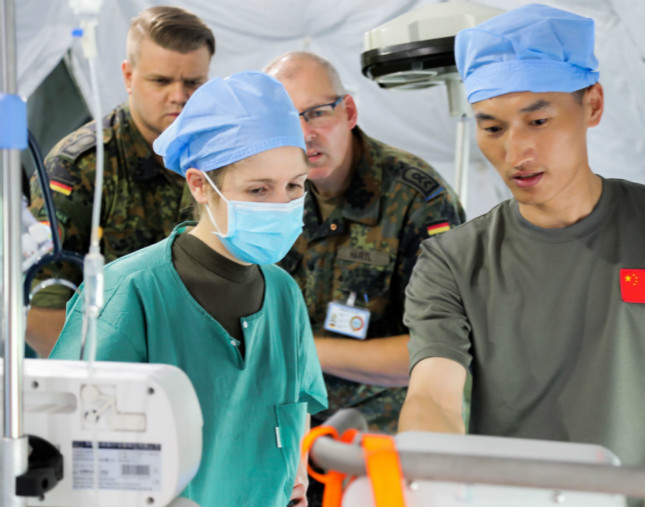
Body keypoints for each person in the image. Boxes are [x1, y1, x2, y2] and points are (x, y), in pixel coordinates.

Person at [398, 2, 645, 474]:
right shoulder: (453, 260)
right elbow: (432, 397)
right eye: (493, 128)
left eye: (538, 121)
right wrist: (421, 475)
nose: (516, 152)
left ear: (593, 105)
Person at [49, 71, 327, 507]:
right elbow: (66, 438)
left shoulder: (283, 294)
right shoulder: (129, 292)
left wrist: (294, 473)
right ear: (200, 185)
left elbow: (294, 409)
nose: (282, 205)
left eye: (294, 186)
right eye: (258, 189)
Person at [264, 52, 465, 434]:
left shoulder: (418, 199)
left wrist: (304, 350)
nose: (304, 133)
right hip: (285, 422)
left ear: (350, 112)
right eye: (286, 120)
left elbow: (441, 350)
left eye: (317, 113)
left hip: (380, 433)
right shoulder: (268, 190)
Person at [27, 6, 215, 357]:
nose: (179, 96)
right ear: (128, 77)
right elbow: (42, 318)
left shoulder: (221, 159)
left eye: (193, 82)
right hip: (111, 374)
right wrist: (130, 379)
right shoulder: (81, 169)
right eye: (160, 81)